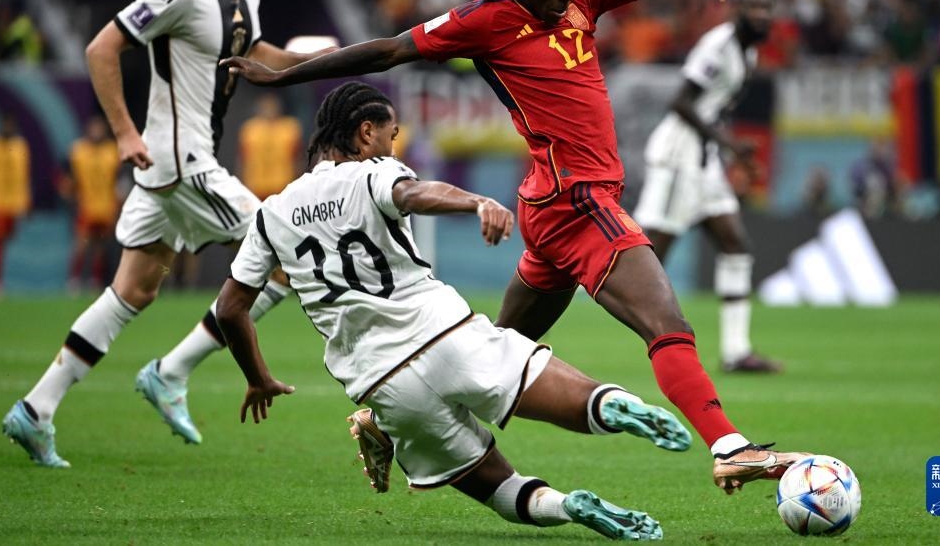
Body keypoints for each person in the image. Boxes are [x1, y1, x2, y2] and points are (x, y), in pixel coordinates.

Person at [223, 0, 805, 494]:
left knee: (499, 349)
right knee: (668, 327)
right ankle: (729, 447)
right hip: (576, 200)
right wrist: (286, 75)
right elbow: (390, 50)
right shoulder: (487, 20)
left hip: (551, 206)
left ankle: (382, 422)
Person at [216, 82, 691, 540]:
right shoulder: (373, 172)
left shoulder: (270, 214)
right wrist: (476, 201)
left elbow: (230, 309)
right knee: (552, 387)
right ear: (366, 132)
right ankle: (612, 405)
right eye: (391, 134)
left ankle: (566, 505)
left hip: (383, 382)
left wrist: (258, 378)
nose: (392, 145)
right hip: (445, 334)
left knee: (501, 489)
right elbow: (411, 194)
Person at [2, 0, 338, 468]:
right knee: (287, 248)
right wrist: (124, 132)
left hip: (180, 165)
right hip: (180, 163)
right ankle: (172, 370)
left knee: (134, 289)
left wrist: (323, 58)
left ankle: (36, 409)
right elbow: (101, 49)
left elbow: (257, 53)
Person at [631, 0, 782, 373]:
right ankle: (646, 332)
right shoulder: (717, 47)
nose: (762, 15)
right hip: (677, 156)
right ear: (738, 11)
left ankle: (736, 352)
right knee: (650, 253)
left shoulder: (748, 52)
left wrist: (730, 151)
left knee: (735, 245)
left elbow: (712, 110)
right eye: (755, 7)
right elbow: (681, 103)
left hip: (704, 159)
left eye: (767, 8)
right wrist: (729, 144)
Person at [61, 115, 121, 291]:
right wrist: (68, 191)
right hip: (85, 206)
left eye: (99, 128)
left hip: (106, 207)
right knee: (81, 244)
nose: (97, 132)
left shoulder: (112, 151)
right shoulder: (78, 150)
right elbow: (66, 176)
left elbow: (118, 179)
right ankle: (74, 279)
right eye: (94, 128)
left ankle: (95, 279)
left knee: (100, 247)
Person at [238, 92, 302, 200]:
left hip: (282, 186)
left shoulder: (289, 128)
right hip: (256, 187)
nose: (269, 109)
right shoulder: (250, 129)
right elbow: (242, 160)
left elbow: (297, 160)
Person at [0, 114, 30, 296]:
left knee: (1, 244)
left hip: (10, 204)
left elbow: (23, 176)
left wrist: (24, 202)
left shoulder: (20, 146)